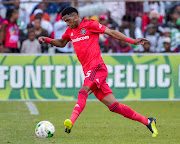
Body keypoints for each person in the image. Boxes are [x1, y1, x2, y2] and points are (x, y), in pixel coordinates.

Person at [38, 7, 158, 137]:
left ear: (75, 16)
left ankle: (71, 121)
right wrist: (48, 39)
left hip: (97, 68)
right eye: (65, 21)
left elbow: (111, 32)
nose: (67, 23)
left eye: (68, 20)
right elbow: (62, 43)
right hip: (89, 71)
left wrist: (133, 41)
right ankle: (148, 121)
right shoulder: (70, 31)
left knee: (83, 92)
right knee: (114, 106)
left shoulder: (90, 25)